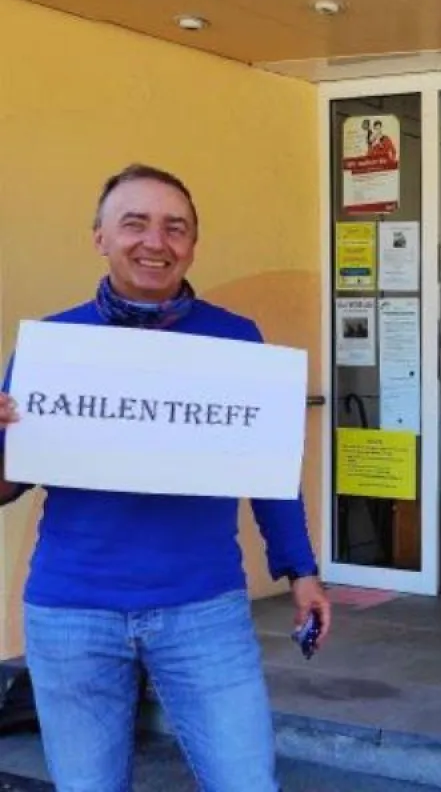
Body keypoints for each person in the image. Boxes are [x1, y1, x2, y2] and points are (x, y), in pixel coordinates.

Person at [0, 164, 331, 791]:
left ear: (193, 243)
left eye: (175, 227)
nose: (156, 241)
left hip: (203, 607)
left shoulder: (236, 340)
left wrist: (301, 570)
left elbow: (269, 469)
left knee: (247, 783)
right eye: (135, 224)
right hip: (73, 612)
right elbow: (7, 486)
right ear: (99, 236)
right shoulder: (54, 346)